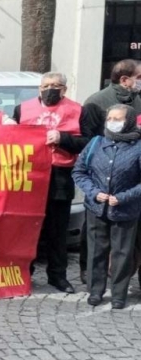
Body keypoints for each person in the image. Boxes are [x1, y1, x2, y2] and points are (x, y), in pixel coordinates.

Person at [12, 72, 89, 294]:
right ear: (39, 88)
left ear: (64, 89)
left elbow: (87, 142)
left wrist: (63, 138)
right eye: (46, 85)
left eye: (56, 86)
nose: (50, 89)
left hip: (60, 175)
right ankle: (25, 273)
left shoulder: (77, 110)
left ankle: (58, 276)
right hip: (28, 176)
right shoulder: (22, 109)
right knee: (27, 229)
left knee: (57, 231)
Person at [72, 104, 141, 309]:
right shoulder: (96, 142)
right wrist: (94, 193)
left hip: (125, 209)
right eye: (110, 118)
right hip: (96, 207)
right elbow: (79, 171)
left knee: (122, 253)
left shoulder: (138, 146)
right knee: (96, 251)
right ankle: (95, 290)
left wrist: (123, 197)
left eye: (118, 119)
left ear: (128, 121)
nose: (113, 122)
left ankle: (119, 293)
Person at [79, 59, 141, 284]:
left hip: (133, 174)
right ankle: (89, 271)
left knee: (131, 235)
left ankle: (125, 276)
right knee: (95, 231)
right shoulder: (96, 101)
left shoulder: (137, 99)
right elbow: (87, 138)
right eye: (139, 77)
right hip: (101, 176)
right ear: (125, 79)